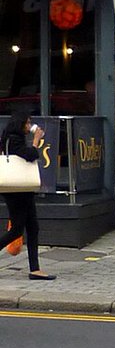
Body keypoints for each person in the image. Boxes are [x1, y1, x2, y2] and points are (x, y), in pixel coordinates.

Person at [0, 109, 54, 280]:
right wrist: (37, 140)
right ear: (20, 123)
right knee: (17, 230)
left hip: (23, 189)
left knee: (33, 227)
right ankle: (35, 269)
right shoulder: (13, 139)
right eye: (27, 123)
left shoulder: (12, 138)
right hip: (16, 191)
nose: (29, 126)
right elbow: (31, 155)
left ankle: (35, 269)